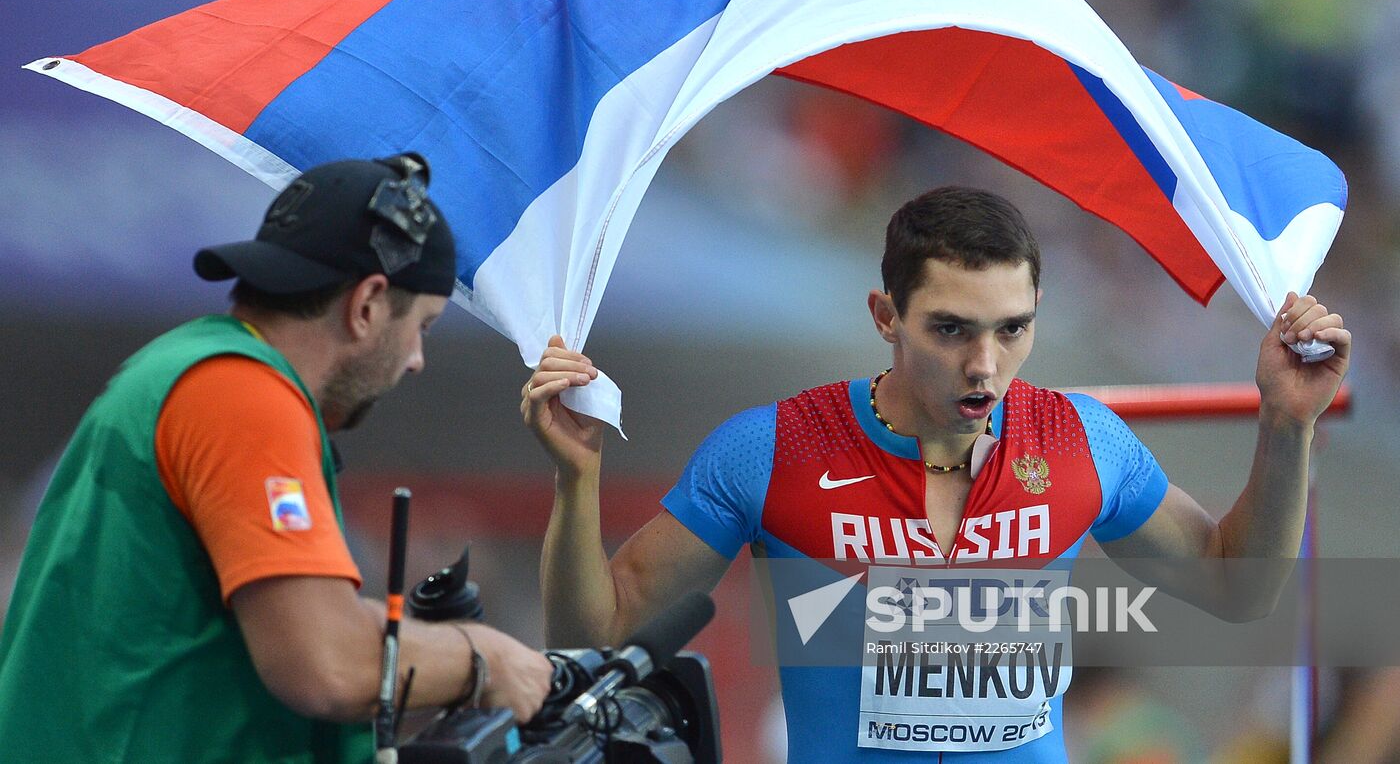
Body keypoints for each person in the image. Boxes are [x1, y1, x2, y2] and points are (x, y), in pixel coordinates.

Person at [522, 186, 1350, 762]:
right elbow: (594, 634)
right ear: (886, 316)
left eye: (1012, 329)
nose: (985, 366)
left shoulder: (1082, 443)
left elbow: (1236, 590)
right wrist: (578, 480)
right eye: (951, 329)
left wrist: (1287, 421)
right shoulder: (772, 448)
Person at [0, 153, 552, 763]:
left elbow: (307, 623)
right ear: (367, 304)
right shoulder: (241, 395)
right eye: (422, 324)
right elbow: (326, 664)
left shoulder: (195, 368)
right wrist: (482, 657)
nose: (417, 358)